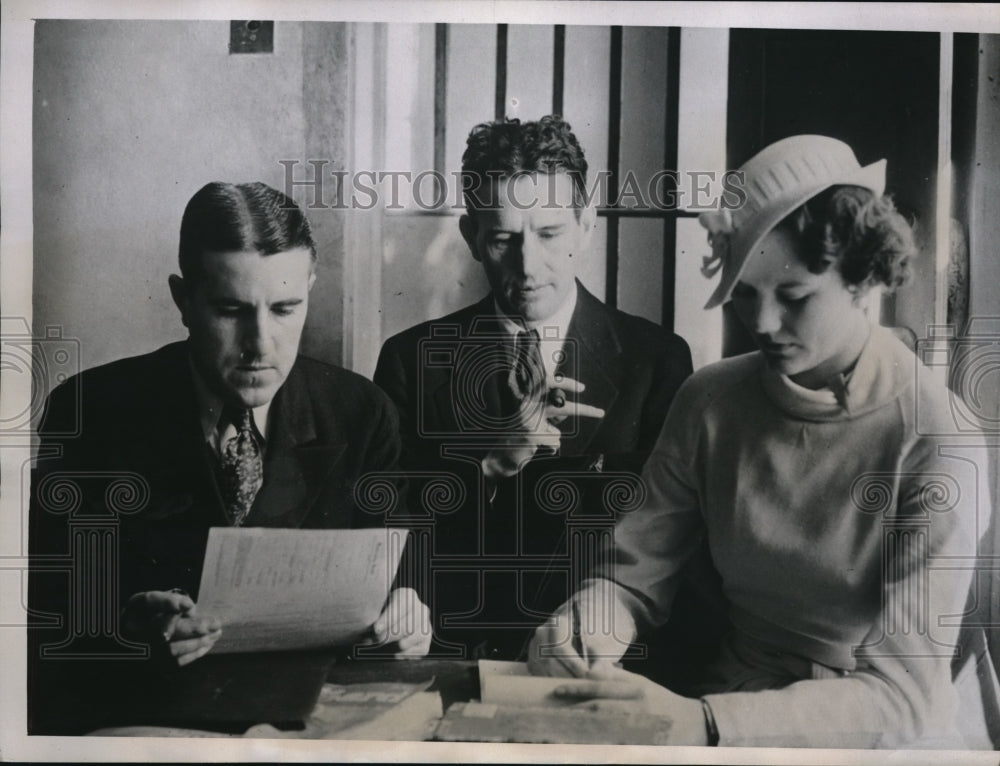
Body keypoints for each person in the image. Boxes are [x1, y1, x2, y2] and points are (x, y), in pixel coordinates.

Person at [527, 135, 994, 747]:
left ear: (863, 277)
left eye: (795, 297)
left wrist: (703, 724)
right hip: (733, 691)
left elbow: (902, 697)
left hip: (876, 730)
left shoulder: (938, 438)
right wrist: (583, 626)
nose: (765, 325)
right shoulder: (710, 400)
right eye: (745, 296)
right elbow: (633, 576)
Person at [28, 181, 430, 734]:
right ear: (183, 299)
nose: (260, 343)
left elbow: (399, 566)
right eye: (230, 310)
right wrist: (127, 626)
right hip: (143, 722)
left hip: (309, 727)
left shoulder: (362, 412)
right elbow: (44, 613)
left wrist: (407, 608)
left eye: (286, 308)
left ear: (310, 288)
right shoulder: (92, 411)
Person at [374, 116, 697, 660]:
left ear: (586, 226)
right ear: (471, 237)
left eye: (549, 234)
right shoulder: (409, 360)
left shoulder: (658, 360)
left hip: (600, 657)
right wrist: (490, 465)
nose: (528, 265)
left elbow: (667, 539)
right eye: (503, 238)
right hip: (451, 653)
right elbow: (391, 536)